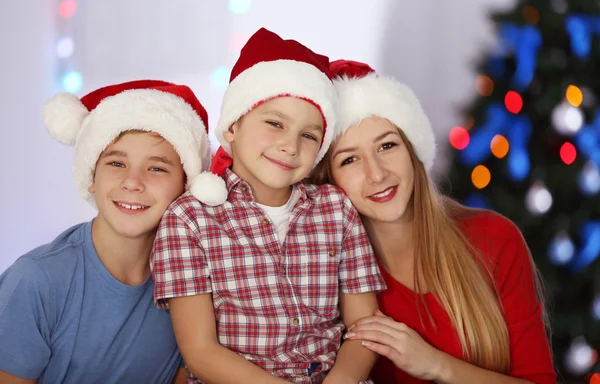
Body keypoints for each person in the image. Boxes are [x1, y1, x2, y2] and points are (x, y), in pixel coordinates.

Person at [150, 28, 386, 383]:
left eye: (308, 135)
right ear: (232, 126)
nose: (290, 146)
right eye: (274, 124)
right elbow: (201, 352)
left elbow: (364, 326)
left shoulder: (336, 209)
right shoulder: (189, 219)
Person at [310, 60, 556, 384]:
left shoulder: (494, 239)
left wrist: (436, 365)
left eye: (387, 145)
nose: (378, 173)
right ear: (328, 178)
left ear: (413, 150)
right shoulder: (323, 272)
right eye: (350, 159)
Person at [0, 80, 212, 384]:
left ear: (186, 186)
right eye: (116, 163)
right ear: (91, 177)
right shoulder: (37, 280)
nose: (133, 181)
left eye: (156, 168)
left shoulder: (191, 283)